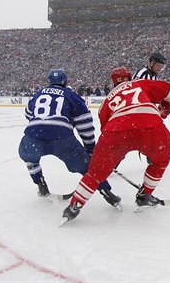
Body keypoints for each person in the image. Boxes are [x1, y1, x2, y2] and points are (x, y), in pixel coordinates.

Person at [61, 66, 170, 223]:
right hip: (150, 125)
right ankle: (144, 195)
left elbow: (105, 128)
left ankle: (74, 206)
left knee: (94, 173)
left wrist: (110, 156)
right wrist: (166, 107)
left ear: (112, 83)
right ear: (129, 77)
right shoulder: (140, 83)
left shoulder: (105, 103)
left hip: (115, 132)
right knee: (161, 160)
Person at [18, 69, 120, 206]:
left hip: (34, 135)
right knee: (87, 168)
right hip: (62, 138)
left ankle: (40, 182)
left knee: (29, 157)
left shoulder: (39, 94)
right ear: (65, 82)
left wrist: (41, 125)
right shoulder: (71, 95)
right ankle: (106, 192)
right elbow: (85, 124)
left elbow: (28, 113)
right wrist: (90, 148)